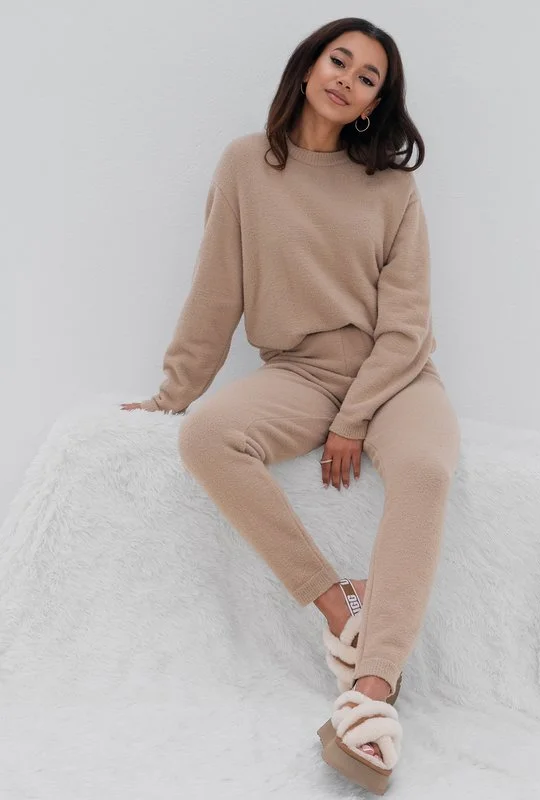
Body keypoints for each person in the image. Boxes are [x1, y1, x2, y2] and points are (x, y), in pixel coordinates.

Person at [122, 16, 460, 794]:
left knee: (426, 471)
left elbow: (408, 324)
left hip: (398, 377)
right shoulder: (246, 164)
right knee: (207, 436)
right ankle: (341, 608)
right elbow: (217, 291)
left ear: (374, 104)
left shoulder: (392, 188)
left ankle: (372, 688)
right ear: (308, 68)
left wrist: (355, 419)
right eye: (339, 60)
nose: (348, 78)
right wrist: (174, 393)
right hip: (301, 373)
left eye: (369, 77)